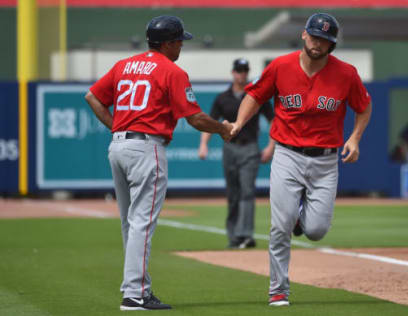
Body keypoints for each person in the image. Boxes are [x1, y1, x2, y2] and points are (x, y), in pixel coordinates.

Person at [84, 15, 232, 311]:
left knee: (130, 223)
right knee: (141, 223)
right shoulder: (171, 71)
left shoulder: (124, 65)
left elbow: (92, 96)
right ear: (167, 43)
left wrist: (117, 127)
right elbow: (195, 118)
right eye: (179, 41)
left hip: (118, 147)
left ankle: (133, 289)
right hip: (146, 148)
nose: (181, 46)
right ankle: (135, 294)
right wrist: (223, 129)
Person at [228, 13, 372, 306]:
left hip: (325, 160)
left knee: (317, 230)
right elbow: (254, 96)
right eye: (315, 36)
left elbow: (364, 106)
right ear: (304, 35)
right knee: (279, 227)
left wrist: (355, 137)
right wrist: (239, 123)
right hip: (288, 155)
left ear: (332, 44)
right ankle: (278, 289)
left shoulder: (346, 73)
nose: (319, 43)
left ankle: (299, 217)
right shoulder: (280, 66)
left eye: (325, 39)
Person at [198, 58, 275, 249]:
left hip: (250, 148)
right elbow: (210, 122)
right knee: (233, 193)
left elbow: (275, 121)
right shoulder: (222, 98)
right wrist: (203, 145)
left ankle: (246, 235)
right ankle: (233, 236)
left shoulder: (255, 96)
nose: (242, 74)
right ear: (233, 73)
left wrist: (271, 146)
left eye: (244, 71)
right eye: (239, 71)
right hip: (230, 148)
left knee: (247, 192)